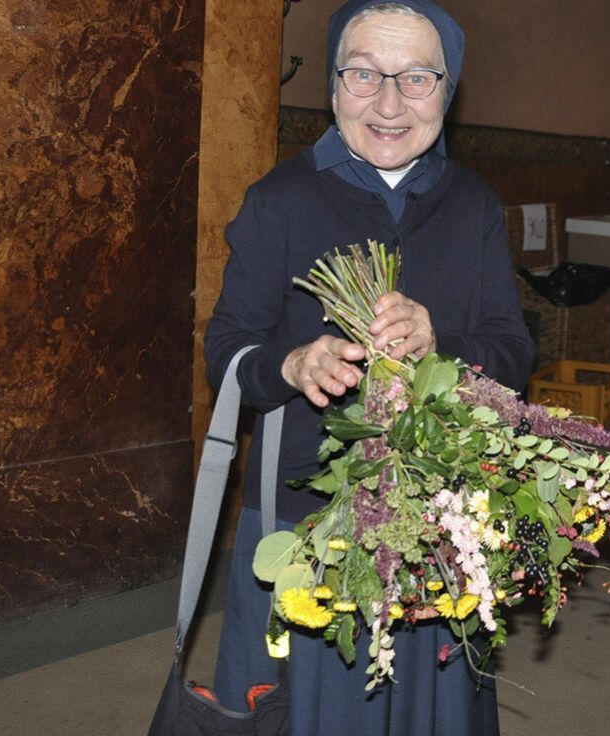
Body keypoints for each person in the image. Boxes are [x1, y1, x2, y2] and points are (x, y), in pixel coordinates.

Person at [204, 1, 534, 733]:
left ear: (448, 91)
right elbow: (225, 352)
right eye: (363, 74)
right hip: (304, 524)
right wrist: (291, 364)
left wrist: (439, 342)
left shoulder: (473, 203)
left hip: (440, 518)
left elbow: (513, 351)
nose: (388, 103)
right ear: (332, 84)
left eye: (416, 78)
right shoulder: (278, 201)